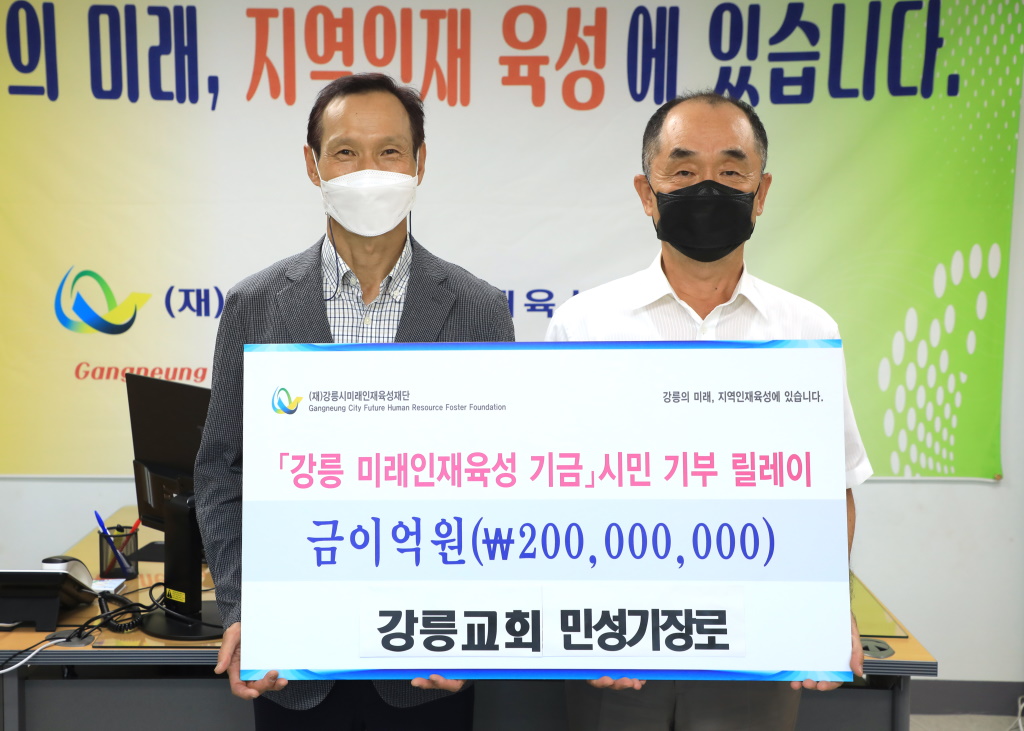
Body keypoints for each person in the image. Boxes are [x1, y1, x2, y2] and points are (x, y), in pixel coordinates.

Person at [194, 72, 514, 731]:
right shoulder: (254, 305)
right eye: (345, 152)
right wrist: (244, 608)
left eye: (389, 151)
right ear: (313, 165)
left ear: (420, 163)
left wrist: (473, 624)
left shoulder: (477, 309)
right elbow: (221, 470)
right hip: (295, 663)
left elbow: (500, 481)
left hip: (427, 663)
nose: (368, 170)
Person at [546, 90, 872, 731]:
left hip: (756, 644)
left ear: (761, 191)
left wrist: (828, 604)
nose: (707, 188)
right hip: (619, 641)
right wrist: (578, 611)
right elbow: (552, 486)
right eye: (684, 169)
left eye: (730, 170)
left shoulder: (806, 330)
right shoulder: (584, 325)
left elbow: (831, 488)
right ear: (647, 192)